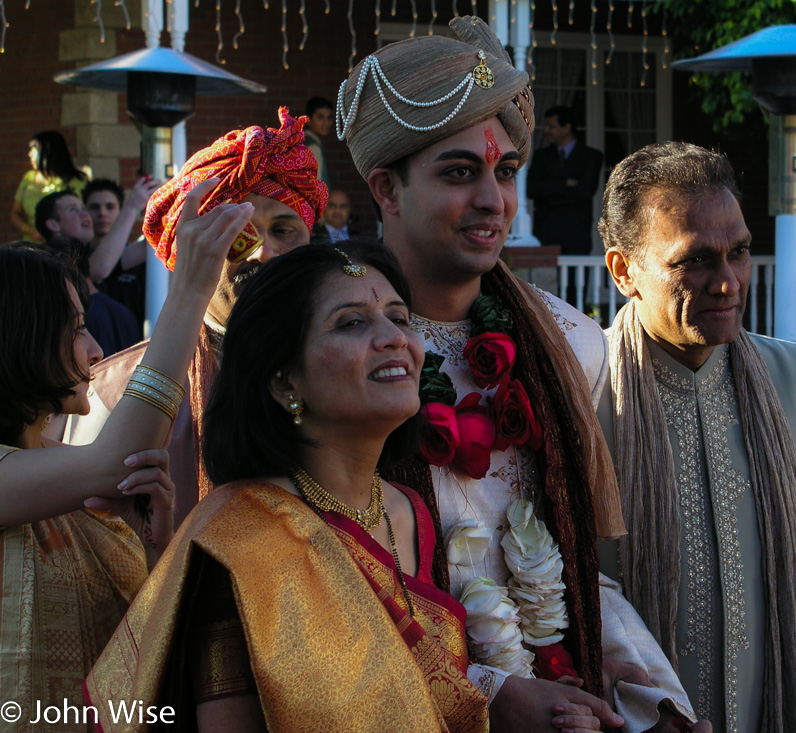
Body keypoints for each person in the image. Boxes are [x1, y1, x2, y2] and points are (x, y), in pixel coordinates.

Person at [338, 16, 704, 733]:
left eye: (504, 171)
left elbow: (570, 566)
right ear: (386, 187)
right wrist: (485, 690)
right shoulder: (341, 351)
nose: (493, 200)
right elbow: (321, 575)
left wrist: (650, 692)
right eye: (458, 172)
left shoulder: (568, 341)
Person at [85, 241, 490, 732]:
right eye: (351, 323)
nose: (394, 338)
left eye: (400, 318)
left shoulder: (408, 511)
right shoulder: (243, 540)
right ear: (283, 382)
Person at [599, 141, 796, 731]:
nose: (727, 283)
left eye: (740, 253)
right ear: (624, 270)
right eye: (694, 261)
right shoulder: (578, 396)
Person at [0, 181, 244, 725]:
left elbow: (138, 657)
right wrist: (189, 291)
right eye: (77, 328)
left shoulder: (69, 483)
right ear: (21, 338)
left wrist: (155, 548)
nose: (94, 350)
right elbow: (118, 459)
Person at [56, 108, 327, 526]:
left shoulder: (349, 368)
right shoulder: (113, 393)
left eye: (284, 231)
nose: (263, 253)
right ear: (190, 249)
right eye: (238, 234)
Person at [35, 191, 140, 357]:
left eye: (83, 208)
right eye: (73, 210)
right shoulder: (48, 293)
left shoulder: (112, 308)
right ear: (53, 225)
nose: (86, 214)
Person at [82, 176, 163, 326]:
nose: (102, 213)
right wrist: (132, 206)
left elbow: (162, 239)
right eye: (94, 207)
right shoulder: (80, 258)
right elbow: (99, 268)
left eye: (110, 206)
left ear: (120, 210)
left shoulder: (136, 255)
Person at [526, 105, 604, 255]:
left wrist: (549, 195)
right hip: (545, 234)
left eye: (551, 126)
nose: (546, 130)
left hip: (575, 236)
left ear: (567, 128)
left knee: (576, 278)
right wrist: (565, 183)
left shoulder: (591, 156)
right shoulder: (541, 156)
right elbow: (531, 189)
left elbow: (586, 191)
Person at [10, 130, 91, 242]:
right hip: (33, 249)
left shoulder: (78, 181)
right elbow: (15, 213)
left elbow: (88, 213)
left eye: (33, 148)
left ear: (48, 151)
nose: (29, 154)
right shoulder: (29, 178)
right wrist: (30, 230)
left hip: (67, 248)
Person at [304, 95, 333, 186]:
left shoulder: (303, 139)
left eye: (329, 118)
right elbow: (315, 185)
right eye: (320, 117)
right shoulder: (312, 147)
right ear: (308, 120)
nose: (326, 123)